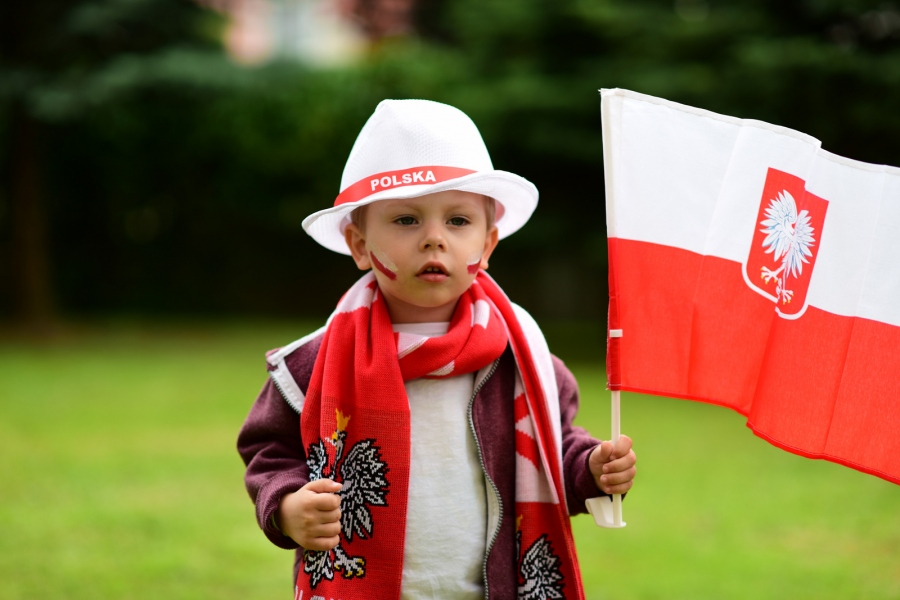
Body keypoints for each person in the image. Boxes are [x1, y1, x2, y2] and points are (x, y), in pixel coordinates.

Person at [237, 99, 637, 600]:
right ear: (359, 245)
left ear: (488, 244)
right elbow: (269, 452)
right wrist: (287, 506)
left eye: (458, 221)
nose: (433, 240)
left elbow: (556, 449)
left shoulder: (523, 358)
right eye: (406, 220)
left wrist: (593, 468)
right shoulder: (310, 366)